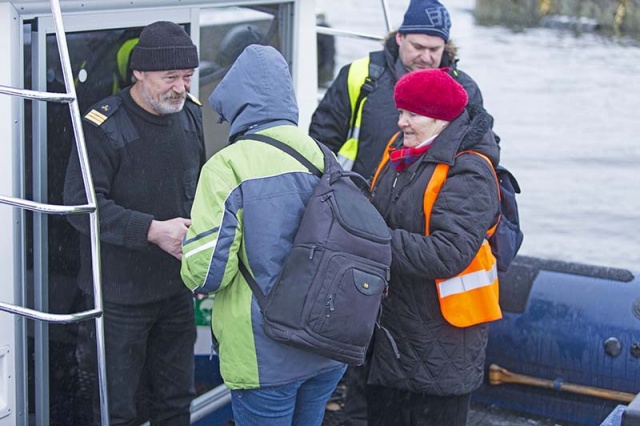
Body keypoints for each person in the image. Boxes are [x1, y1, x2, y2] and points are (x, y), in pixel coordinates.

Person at [180, 44, 347, 426]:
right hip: (326, 342)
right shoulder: (323, 154)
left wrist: (188, 247)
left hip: (265, 353)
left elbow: (207, 273)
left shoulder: (227, 166)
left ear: (237, 103)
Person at [63, 21, 205, 425]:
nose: (181, 88)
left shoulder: (189, 116)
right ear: (139, 73)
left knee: (176, 402)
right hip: (117, 298)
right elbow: (79, 206)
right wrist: (153, 231)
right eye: (170, 78)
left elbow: (196, 188)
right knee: (116, 411)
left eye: (188, 77)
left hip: (176, 290)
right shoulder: (102, 126)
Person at [364, 68, 501, 425]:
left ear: (441, 119)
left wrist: (372, 240)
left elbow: (448, 252)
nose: (401, 122)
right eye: (400, 112)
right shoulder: (399, 151)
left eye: (412, 114)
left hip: (443, 347)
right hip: (392, 337)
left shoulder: (469, 170)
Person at [309, 0, 485, 181]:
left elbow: (480, 152)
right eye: (417, 47)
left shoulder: (465, 91)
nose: (425, 57)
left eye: (434, 49)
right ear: (400, 38)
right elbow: (321, 140)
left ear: (445, 46)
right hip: (356, 194)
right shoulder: (359, 75)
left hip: (429, 202)